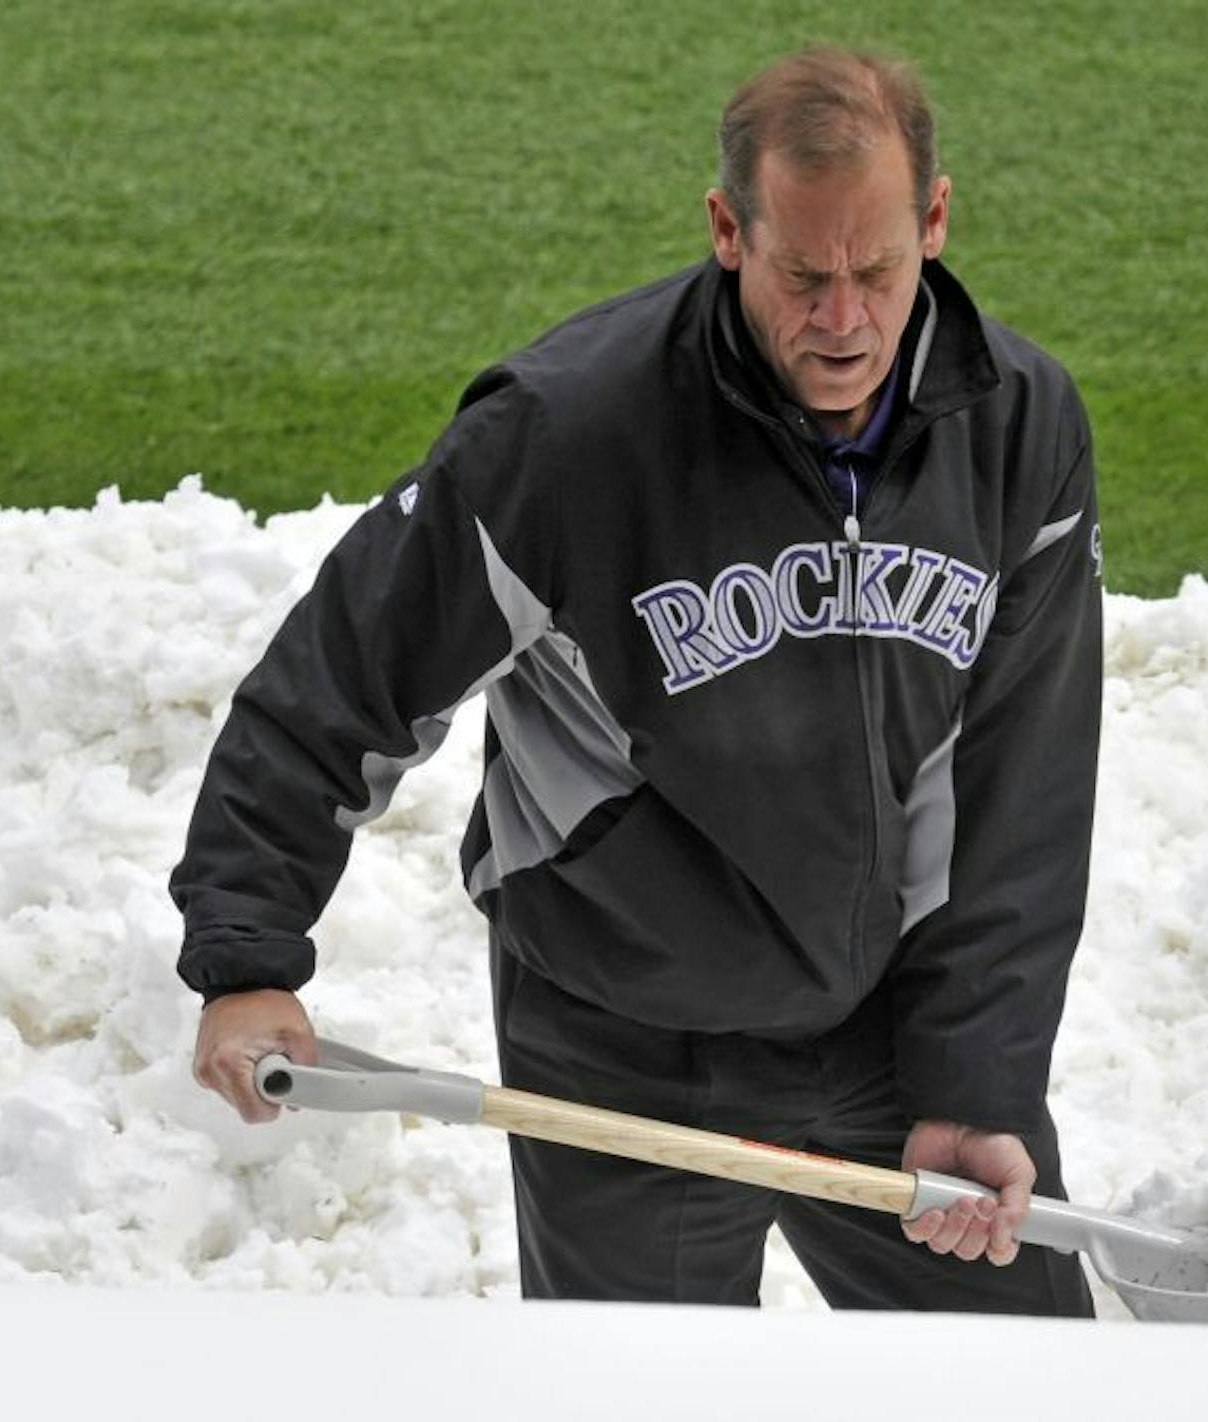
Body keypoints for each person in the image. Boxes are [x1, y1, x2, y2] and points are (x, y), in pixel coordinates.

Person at [172, 46, 1102, 1316]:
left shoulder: (1019, 431)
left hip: (891, 1036)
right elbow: (340, 681)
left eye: (879, 270)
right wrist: (246, 954)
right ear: (730, 230)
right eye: (803, 274)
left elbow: (1019, 795)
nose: (844, 321)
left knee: (1022, 1386)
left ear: (935, 223)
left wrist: (978, 1082)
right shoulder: (567, 434)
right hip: (620, 1050)